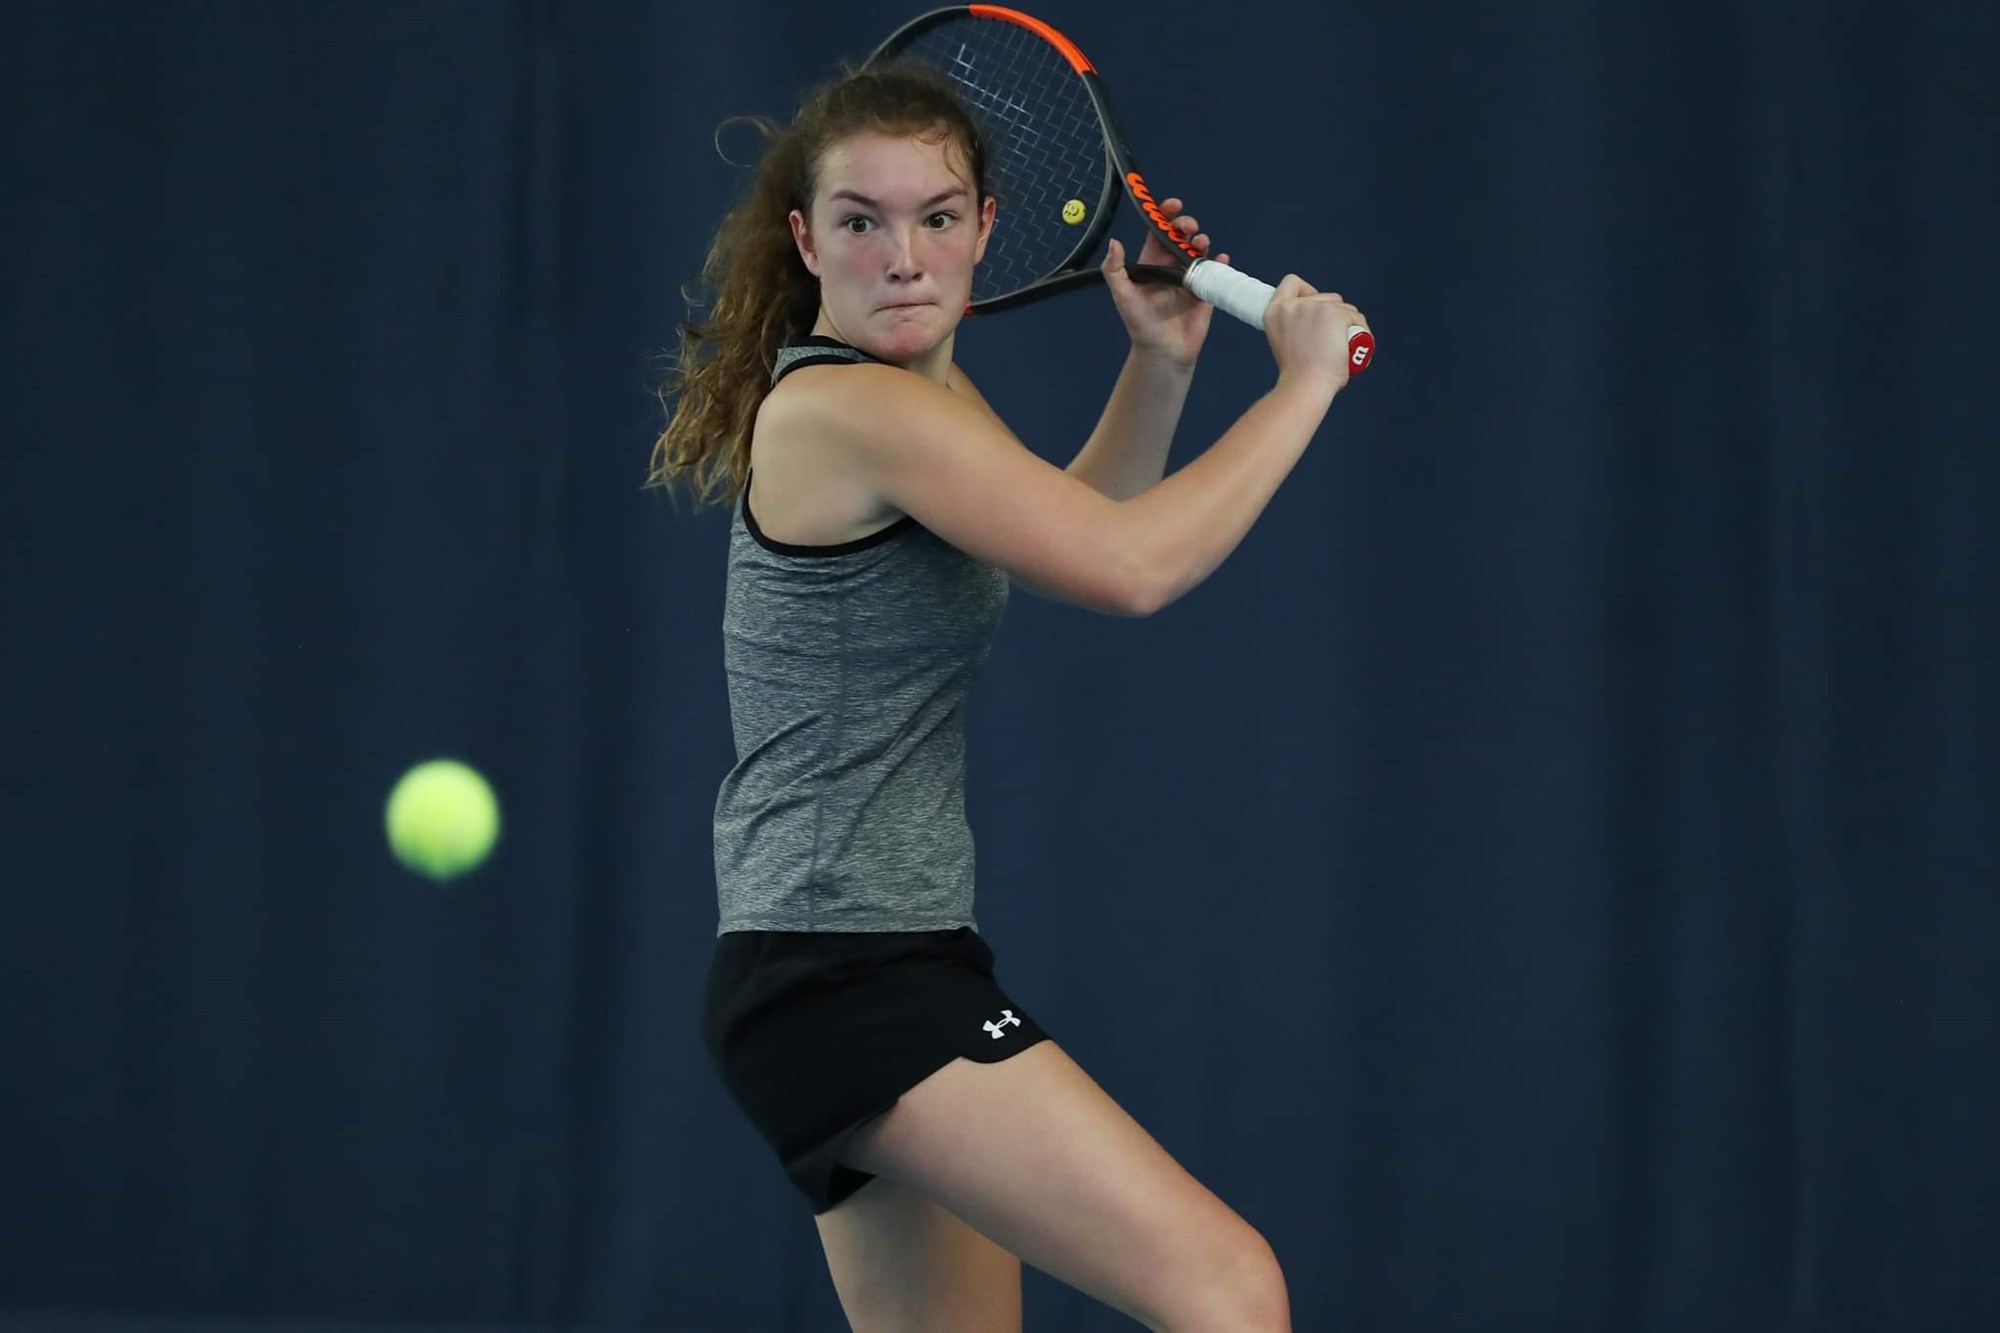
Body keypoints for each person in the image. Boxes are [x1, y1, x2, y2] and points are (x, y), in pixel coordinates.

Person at [650, 59, 1367, 1333]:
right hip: (839, 974)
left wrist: (1157, 366)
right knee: (1227, 1288)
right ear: (807, 241)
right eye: (861, 221)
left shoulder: (921, 389)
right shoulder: (852, 409)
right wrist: (1302, 382)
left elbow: (1074, 527)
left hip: (860, 963)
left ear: (987, 230)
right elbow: (1132, 571)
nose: (904, 256)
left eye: (935, 216)